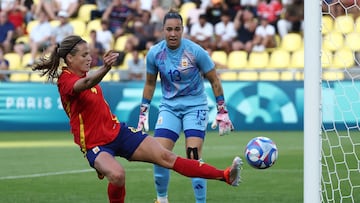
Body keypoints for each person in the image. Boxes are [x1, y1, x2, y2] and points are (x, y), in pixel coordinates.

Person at [31, 34, 242, 203]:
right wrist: (105, 68)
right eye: (85, 55)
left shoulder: (85, 75)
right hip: (95, 144)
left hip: (118, 133)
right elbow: (83, 87)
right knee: (118, 175)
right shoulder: (66, 81)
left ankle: (225, 176)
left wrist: (101, 69)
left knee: (166, 157)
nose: (90, 58)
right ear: (69, 58)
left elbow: (88, 86)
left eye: (90, 54)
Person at [137, 10, 235, 203]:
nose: (173, 34)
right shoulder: (155, 53)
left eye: (177, 29)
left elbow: (214, 80)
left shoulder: (196, 51)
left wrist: (222, 109)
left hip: (195, 106)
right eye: (169, 29)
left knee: (193, 158)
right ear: (163, 30)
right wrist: (144, 111)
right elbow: (150, 83)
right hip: (169, 107)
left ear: (183, 30)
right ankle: (162, 199)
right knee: (158, 155)